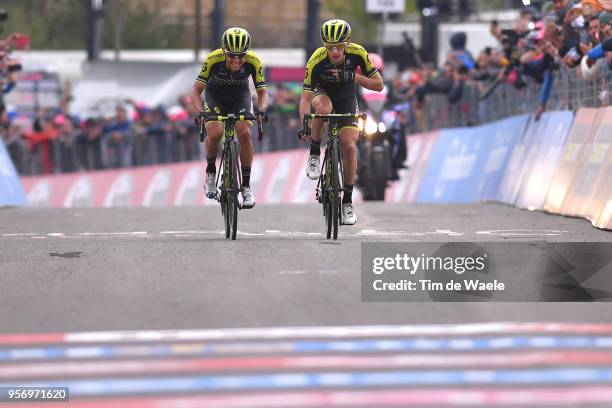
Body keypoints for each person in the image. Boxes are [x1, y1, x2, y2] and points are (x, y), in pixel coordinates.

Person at [298, 19, 383, 225]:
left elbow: (379, 85)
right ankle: (315, 154)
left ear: (348, 43)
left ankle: (347, 202)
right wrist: (305, 125)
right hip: (322, 93)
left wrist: (354, 77)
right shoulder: (316, 59)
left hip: (346, 97)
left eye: (339, 46)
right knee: (324, 109)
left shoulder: (358, 53)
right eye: (330, 47)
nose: (335, 51)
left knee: (349, 146)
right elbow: (306, 98)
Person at [190, 27, 268, 209]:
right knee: (215, 132)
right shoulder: (213, 59)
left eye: (240, 56)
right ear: (224, 51)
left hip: (240, 96)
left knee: (245, 133)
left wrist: (261, 110)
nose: (236, 60)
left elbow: (262, 93)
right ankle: (210, 173)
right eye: (232, 55)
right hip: (215, 96)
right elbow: (196, 90)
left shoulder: (253, 61)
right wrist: (199, 111)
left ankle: (246, 186)